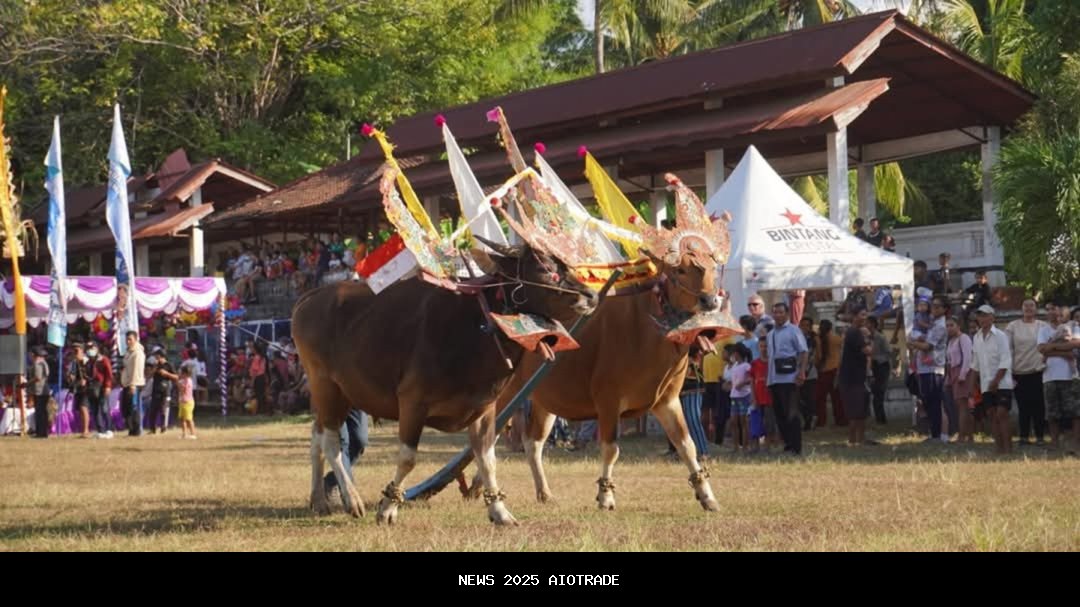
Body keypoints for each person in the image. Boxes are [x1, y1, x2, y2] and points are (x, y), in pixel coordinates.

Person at [766, 302, 809, 455]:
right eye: (775, 312)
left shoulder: (793, 331)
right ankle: (788, 445)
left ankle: (796, 447)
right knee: (780, 414)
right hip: (774, 379)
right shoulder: (770, 334)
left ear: (787, 314)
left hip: (789, 378)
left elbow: (803, 352)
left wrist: (802, 371)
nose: (777, 315)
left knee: (791, 413)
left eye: (780, 312)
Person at [1037, 302, 1080, 454]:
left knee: (1075, 411)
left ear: (1061, 311)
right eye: (1047, 309)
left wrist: (1052, 348)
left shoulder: (1073, 326)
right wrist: (1064, 352)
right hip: (1049, 376)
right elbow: (1042, 349)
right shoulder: (1043, 330)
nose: (1051, 312)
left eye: (1054, 309)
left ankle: (1076, 443)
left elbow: (1076, 344)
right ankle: (1055, 443)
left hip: (1070, 375)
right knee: (1052, 412)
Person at [972, 305, 1014, 455]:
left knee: (1002, 413)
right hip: (985, 383)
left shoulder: (1001, 336)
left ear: (992, 317)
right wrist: (972, 386)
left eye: (985, 315)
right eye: (980, 316)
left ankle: (1008, 449)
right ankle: (998, 448)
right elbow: (975, 364)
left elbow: (1005, 359)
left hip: (1002, 382)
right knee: (991, 414)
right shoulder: (976, 338)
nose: (982, 318)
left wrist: (996, 381)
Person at [1005, 299, 1047, 446]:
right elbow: (1008, 349)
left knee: (1039, 405)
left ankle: (1040, 436)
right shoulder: (1013, 326)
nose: (1028, 308)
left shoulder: (1043, 326)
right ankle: (1023, 436)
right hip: (1018, 371)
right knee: (1023, 406)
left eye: (1031, 305)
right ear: (1021, 308)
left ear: (1036, 309)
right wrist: (1008, 370)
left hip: (1038, 371)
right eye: (1025, 305)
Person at [838, 309, 874, 446]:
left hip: (859, 377)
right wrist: (869, 337)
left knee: (862, 411)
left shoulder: (854, 332)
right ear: (854, 316)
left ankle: (861, 438)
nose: (865, 318)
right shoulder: (854, 333)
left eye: (866, 314)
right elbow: (869, 351)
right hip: (851, 378)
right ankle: (852, 440)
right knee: (855, 411)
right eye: (862, 314)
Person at [324, 409, 369, 508]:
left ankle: (332, 480)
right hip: (334, 399)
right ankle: (349, 496)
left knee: (360, 441)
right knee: (342, 443)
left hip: (357, 399)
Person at [945, 316, 975, 443]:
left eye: (952, 325)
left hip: (963, 373)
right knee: (959, 405)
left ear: (958, 326)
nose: (949, 328)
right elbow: (949, 361)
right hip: (953, 372)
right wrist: (949, 376)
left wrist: (962, 375)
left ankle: (962, 435)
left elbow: (968, 357)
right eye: (947, 326)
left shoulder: (964, 338)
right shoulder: (951, 341)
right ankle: (969, 435)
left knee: (963, 405)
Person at [86, 342, 114, 439]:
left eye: (92, 347)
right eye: (88, 348)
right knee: (95, 409)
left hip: (102, 386)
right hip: (92, 388)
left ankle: (109, 429)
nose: (90, 350)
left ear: (97, 348)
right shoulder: (89, 362)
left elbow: (109, 374)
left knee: (104, 408)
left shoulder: (103, 360)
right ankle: (100, 430)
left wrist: (108, 386)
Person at [121, 331, 147, 436]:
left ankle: (136, 430)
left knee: (134, 407)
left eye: (130, 339)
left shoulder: (138, 353)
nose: (128, 342)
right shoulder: (128, 352)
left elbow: (137, 369)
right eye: (127, 339)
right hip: (127, 383)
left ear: (135, 339)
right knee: (126, 407)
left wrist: (133, 384)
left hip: (134, 383)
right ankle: (131, 428)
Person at [866, 316, 891, 425]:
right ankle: (877, 418)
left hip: (881, 366)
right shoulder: (866, 338)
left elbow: (888, 352)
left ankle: (881, 419)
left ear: (872, 325)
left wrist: (877, 358)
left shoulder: (880, 337)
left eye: (868, 323)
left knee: (879, 393)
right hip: (871, 366)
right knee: (873, 392)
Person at [148, 346, 178, 434]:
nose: (155, 357)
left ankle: (163, 427)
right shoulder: (156, 365)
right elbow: (149, 375)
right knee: (153, 410)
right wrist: (154, 369)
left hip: (165, 390)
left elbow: (176, 377)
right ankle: (152, 428)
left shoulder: (169, 365)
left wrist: (167, 373)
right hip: (155, 390)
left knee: (164, 410)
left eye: (156, 356)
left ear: (161, 356)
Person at [66, 342, 92, 438]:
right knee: (80, 410)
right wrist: (70, 377)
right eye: (74, 350)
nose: (75, 351)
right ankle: (83, 429)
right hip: (77, 388)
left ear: (82, 350)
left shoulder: (87, 361)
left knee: (83, 407)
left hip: (87, 389)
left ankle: (86, 430)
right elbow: (69, 376)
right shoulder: (72, 363)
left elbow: (92, 374)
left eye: (77, 349)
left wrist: (86, 380)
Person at [30, 346, 51, 438]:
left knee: (39, 412)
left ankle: (40, 432)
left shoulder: (37, 364)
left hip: (39, 390)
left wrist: (27, 383)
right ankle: (44, 432)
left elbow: (37, 377)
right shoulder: (44, 363)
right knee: (43, 412)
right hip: (45, 390)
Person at [177, 365, 198, 439]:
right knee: (182, 419)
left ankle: (193, 434)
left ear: (185, 373)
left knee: (189, 419)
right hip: (182, 401)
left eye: (182, 373)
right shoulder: (182, 381)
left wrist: (179, 384)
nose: (180, 374)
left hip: (188, 402)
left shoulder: (188, 381)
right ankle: (184, 434)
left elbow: (183, 391)